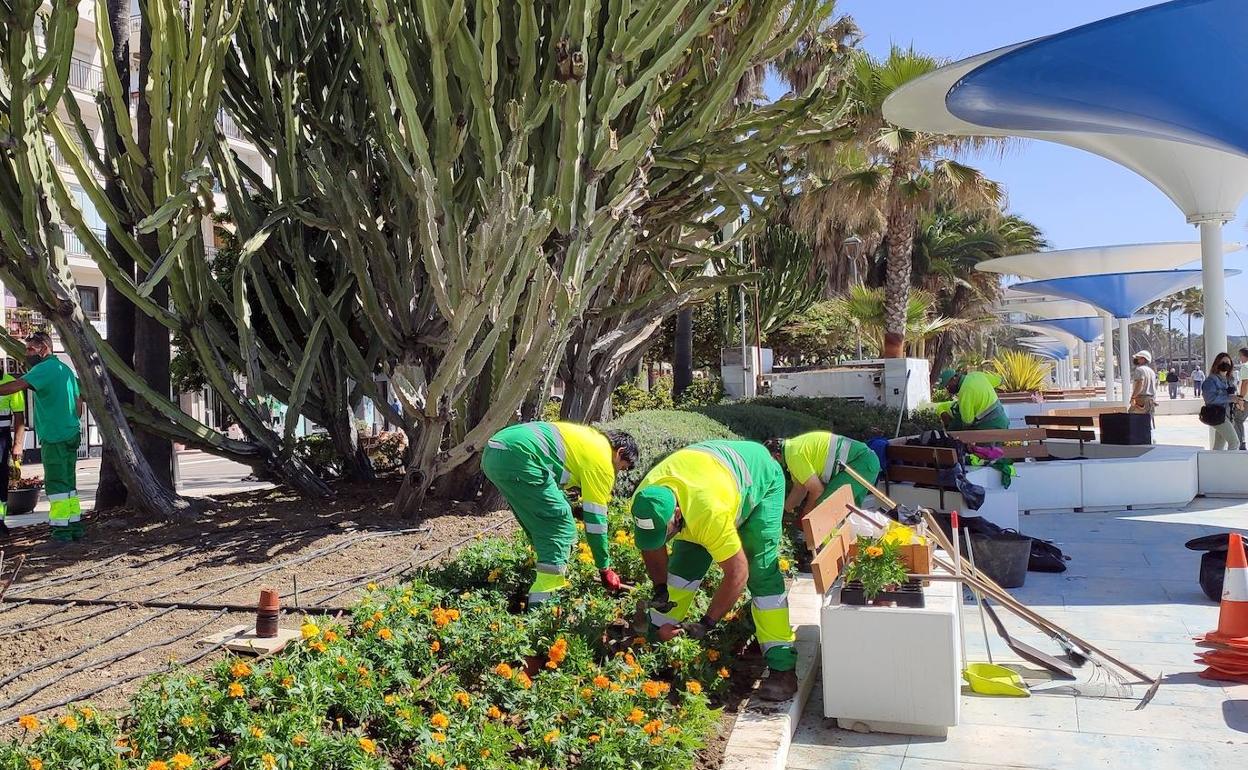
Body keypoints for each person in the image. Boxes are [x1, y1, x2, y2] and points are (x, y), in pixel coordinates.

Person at [630, 440, 797, 701]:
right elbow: (652, 547)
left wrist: (707, 623)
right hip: (708, 481)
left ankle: (782, 666)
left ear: (676, 514)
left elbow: (737, 573)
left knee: (759, 570)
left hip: (759, 480)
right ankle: (658, 650)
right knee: (681, 572)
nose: (661, 541)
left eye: (665, 534)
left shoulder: (708, 514)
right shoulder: (647, 498)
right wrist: (660, 589)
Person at [481, 421, 637, 606]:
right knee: (560, 527)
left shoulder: (589, 439)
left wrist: (571, 508)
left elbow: (549, 480)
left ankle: (548, 565)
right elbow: (596, 522)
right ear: (619, 452)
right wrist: (604, 568)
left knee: (541, 521)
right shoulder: (603, 461)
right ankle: (541, 607)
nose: (618, 473)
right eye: (622, 467)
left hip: (493, 453)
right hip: (519, 456)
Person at [0, 334, 81, 541]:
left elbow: (14, 386)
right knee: (69, 484)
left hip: (54, 435)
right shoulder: (66, 370)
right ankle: (74, 527)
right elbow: (79, 406)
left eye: (30, 350)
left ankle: (61, 532)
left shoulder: (44, 369)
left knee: (56, 485)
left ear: (43, 348)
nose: (27, 355)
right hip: (71, 432)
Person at [764, 431, 881, 515]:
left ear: (778, 455)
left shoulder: (793, 456)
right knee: (850, 512)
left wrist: (808, 511)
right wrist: (784, 511)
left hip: (861, 463)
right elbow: (800, 488)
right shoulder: (792, 449)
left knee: (824, 508)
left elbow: (817, 490)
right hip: (866, 462)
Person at [934, 368, 1008, 430]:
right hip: (1003, 421)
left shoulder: (965, 393)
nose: (948, 390)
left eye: (947, 386)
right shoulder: (976, 375)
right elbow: (999, 380)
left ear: (954, 378)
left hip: (989, 427)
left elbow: (967, 422)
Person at [0, 368, 26, 537]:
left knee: (0, 481)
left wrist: (17, 445)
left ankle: (0, 522)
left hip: (1, 438)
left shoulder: (10, 383)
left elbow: (19, 417)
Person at [1202, 354, 1242, 451]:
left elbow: (1233, 396)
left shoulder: (1230, 380)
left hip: (1228, 415)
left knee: (1219, 446)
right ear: (1217, 363)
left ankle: (1214, 464)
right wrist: (1230, 398)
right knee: (1234, 442)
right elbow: (1209, 399)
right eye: (1223, 362)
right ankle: (1230, 464)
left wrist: (1237, 400)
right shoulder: (1211, 381)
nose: (1225, 364)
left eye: (1228, 363)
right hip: (1218, 415)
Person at [1128, 351, 1157, 416]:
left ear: (1143, 359)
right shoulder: (1151, 371)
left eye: (1138, 358)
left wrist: (1133, 398)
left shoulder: (1139, 370)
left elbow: (1140, 383)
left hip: (1141, 400)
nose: (1136, 359)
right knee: (1147, 422)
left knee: (1132, 419)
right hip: (1150, 400)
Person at [1238, 348, 1248, 450]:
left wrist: (1240, 398)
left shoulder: (1245, 367)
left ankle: (1241, 443)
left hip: (1246, 399)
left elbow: (1245, 383)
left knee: (1238, 419)